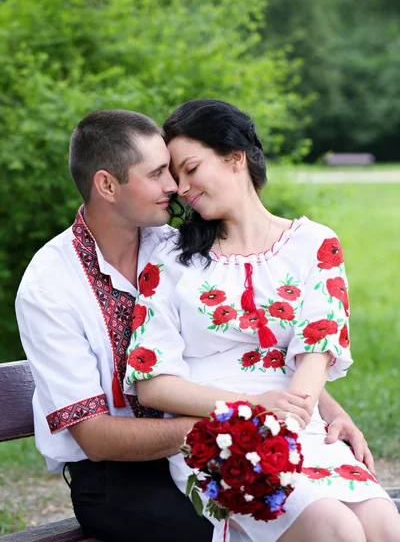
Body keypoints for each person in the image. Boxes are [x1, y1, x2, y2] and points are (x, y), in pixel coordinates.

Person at [16, 109, 376, 542]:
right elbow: (94, 437)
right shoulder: (50, 285)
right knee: (288, 526)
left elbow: (244, 352)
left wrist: (327, 413)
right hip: (117, 477)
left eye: (176, 171)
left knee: (369, 521)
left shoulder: (174, 245)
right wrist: (238, 419)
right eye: (158, 174)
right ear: (107, 185)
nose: (175, 188)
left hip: (222, 437)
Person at [124, 99, 400, 542]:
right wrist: (252, 410)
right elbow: (152, 382)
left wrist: (299, 416)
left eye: (191, 168)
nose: (182, 187)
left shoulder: (315, 245)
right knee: (336, 528)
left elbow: (316, 351)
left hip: (299, 424)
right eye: (176, 176)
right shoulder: (171, 261)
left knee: (385, 524)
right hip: (220, 435)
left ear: (235, 158)